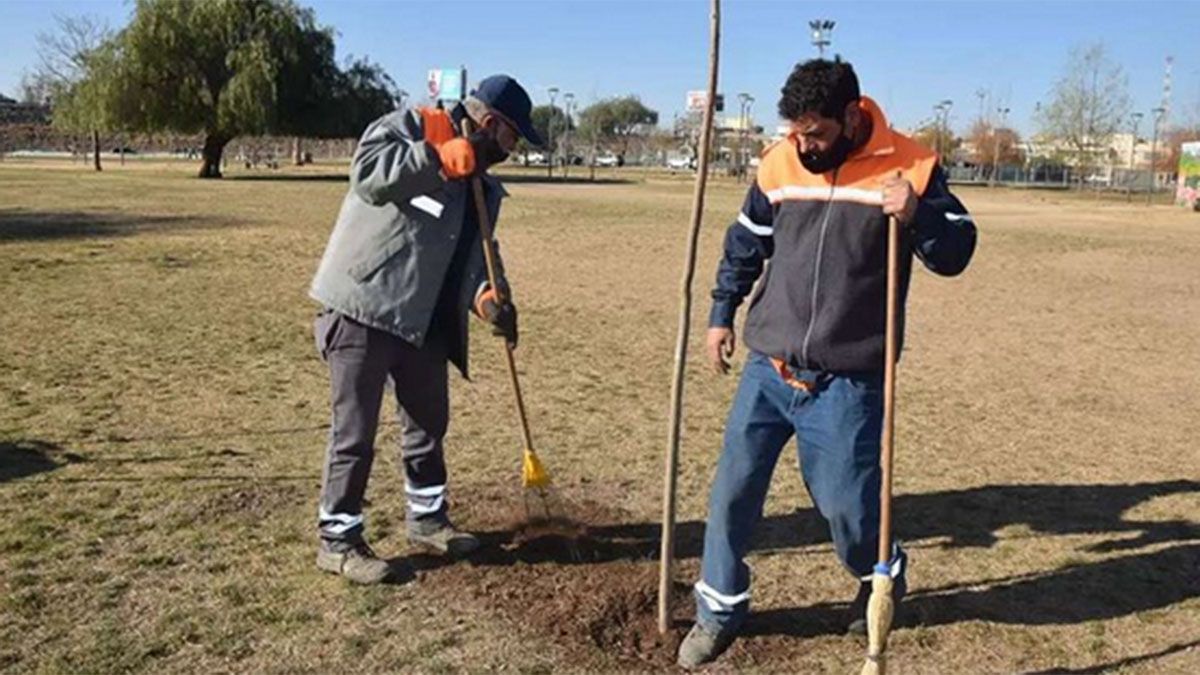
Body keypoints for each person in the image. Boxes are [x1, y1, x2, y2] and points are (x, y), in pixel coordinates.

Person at [678, 59, 977, 667]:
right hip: (769, 366)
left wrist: (916, 213)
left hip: (848, 378)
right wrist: (720, 312)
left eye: (814, 133)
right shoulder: (779, 162)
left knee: (848, 505)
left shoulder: (912, 166)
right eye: (795, 133)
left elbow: (956, 251)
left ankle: (879, 574)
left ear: (850, 116)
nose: (803, 146)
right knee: (732, 492)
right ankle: (719, 610)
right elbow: (745, 243)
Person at [308, 75, 543, 584]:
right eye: (513, 137)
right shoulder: (411, 126)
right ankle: (338, 540)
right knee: (355, 434)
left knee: (427, 426)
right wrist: (440, 157)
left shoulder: (484, 187)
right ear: (490, 123)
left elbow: (477, 254)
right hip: (364, 307)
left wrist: (491, 300)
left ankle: (428, 519)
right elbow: (368, 176)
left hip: (424, 321)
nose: (512, 150)